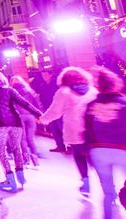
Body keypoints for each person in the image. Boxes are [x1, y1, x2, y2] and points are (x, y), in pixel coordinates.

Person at [85, 67, 126, 219]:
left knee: (108, 192)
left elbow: (87, 129)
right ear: (116, 84)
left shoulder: (91, 105)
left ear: (98, 87)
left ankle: (108, 216)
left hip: (99, 151)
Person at [38, 67, 97, 198]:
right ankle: (108, 186)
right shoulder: (92, 90)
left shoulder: (64, 92)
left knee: (79, 154)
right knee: (95, 157)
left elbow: (55, 111)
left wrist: (43, 120)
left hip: (75, 129)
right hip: (93, 130)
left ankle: (86, 183)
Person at [0, 71, 41, 193]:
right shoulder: (9, 90)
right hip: (15, 122)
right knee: (16, 148)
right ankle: (21, 175)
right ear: (3, 79)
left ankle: (10, 179)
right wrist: (38, 114)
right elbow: (24, 103)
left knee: (1, 150)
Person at [10, 76, 42, 168]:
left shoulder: (11, 92)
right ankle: (36, 162)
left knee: (22, 139)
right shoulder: (29, 91)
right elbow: (36, 103)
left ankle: (26, 161)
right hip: (30, 116)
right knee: (31, 138)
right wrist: (39, 115)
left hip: (19, 116)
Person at [34, 70, 65, 152]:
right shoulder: (42, 85)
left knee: (62, 128)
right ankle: (60, 146)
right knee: (54, 129)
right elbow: (41, 98)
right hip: (48, 109)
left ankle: (70, 146)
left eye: (46, 74)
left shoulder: (57, 84)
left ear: (51, 74)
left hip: (59, 109)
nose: (44, 76)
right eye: (43, 75)